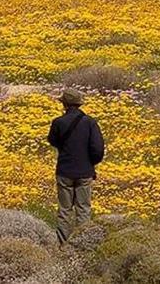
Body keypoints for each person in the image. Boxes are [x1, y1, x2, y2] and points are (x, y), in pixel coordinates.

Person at [47, 87, 105, 243]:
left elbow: (52, 141)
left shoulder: (58, 122)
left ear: (64, 104)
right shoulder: (90, 123)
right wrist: (90, 163)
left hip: (64, 171)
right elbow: (98, 149)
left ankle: (63, 244)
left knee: (64, 210)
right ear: (79, 104)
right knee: (83, 209)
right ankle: (82, 243)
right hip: (84, 172)